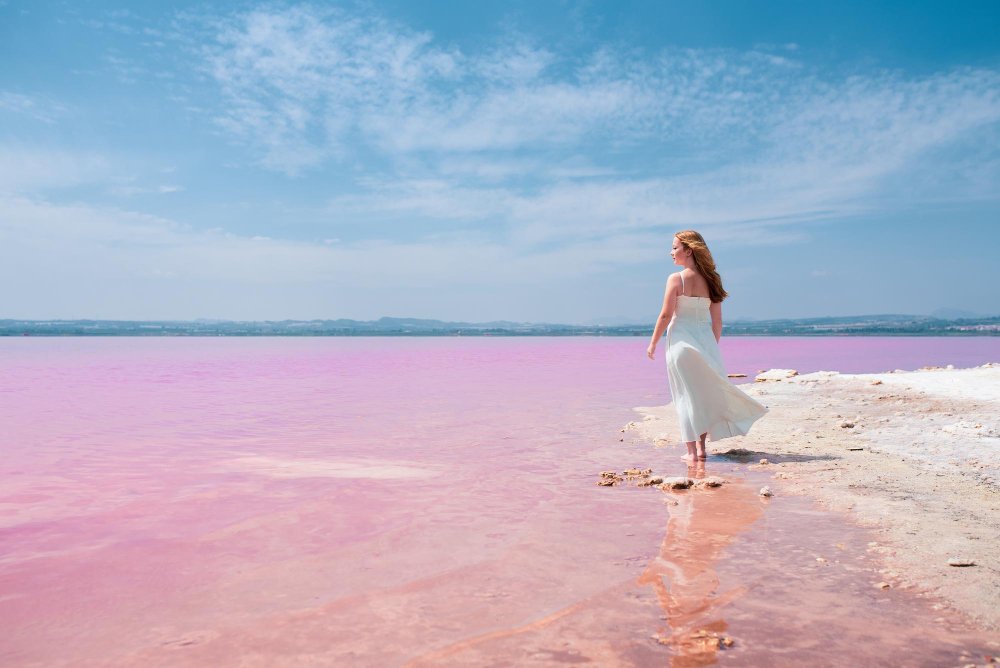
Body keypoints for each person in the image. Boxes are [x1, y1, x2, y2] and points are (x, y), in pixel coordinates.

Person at [646, 230, 767, 461]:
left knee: (685, 397)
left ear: (688, 250)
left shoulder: (676, 279)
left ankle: (692, 453)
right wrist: (710, 348)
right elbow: (717, 322)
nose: (670, 252)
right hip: (705, 344)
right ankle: (702, 450)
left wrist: (652, 343)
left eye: (674, 248)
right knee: (700, 397)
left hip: (680, 344)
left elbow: (665, 315)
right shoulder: (713, 280)